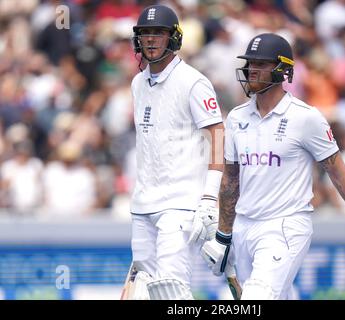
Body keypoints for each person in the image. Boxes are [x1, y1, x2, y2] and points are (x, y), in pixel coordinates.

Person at [201, 33, 345, 300]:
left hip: (286, 225)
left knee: (256, 298)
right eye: (250, 64)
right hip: (244, 226)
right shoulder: (236, 117)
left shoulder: (306, 118)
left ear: (282, 70)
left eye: (260, 64)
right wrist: (223, 235)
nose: (251, 70)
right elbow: (231, 180)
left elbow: (336, 169)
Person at [120, 5, 225, 300]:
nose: (151, 40)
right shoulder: (137, 83)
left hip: (180, 203)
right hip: (143, 205)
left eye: (159, 33)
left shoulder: (193, 82)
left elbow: (217, 134)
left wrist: (208, 197)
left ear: (173, 38)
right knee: (145, 292)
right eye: (145, 34)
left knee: (171, 290)